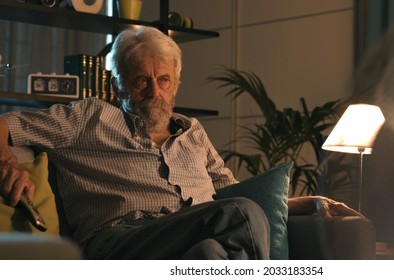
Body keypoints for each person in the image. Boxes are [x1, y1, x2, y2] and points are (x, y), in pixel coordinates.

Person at [0, 26, 359, 259]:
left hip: (186, 239)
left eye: (164, 80)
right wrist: (8, 163)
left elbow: (232, 192)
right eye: (141, 81)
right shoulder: (89, 117)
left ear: (177, 84)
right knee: (236, 214)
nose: (155, 92)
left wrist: (308, 202)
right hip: (121, 241)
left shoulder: (193, 133)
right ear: (118, 85)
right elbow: (4, 124)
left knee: (209, 254)